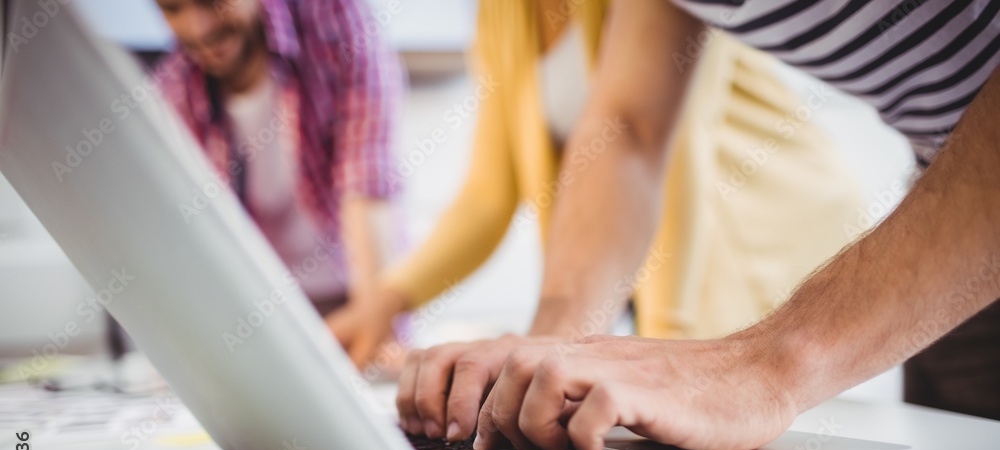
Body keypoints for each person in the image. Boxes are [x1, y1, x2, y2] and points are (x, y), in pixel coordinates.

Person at [397, 0, 1000, 450]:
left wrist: (762, 364)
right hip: (947, 221)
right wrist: (552, 345)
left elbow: (683, 172)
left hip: (832, 265)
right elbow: (629, 130)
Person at [329, 0, 862, 375]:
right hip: (661, 274)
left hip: (771, 257)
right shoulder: (502, 11)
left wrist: (661, 347)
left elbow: (667, 158)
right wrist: (384, 303)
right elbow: (487, 197)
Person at [154, 0, 403, 318]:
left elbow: (367, 174)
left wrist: (374, 314)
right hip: (264, 306)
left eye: (213, 1)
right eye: (172, 9)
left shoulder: (334, 18)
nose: (199, 28)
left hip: (354, 285)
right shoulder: (173, 86)